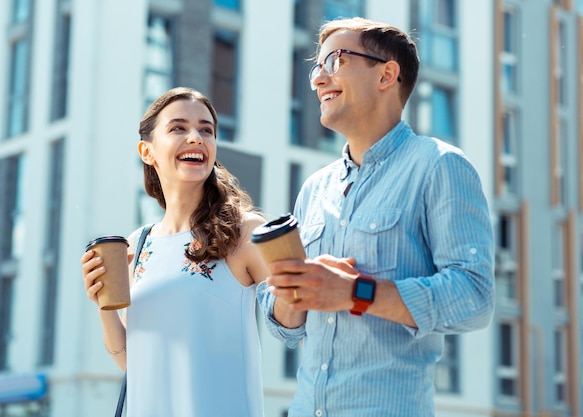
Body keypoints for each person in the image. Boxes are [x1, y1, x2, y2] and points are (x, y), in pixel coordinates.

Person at [257, 17, 495, 417]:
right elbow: (286, 328)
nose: (318, 80)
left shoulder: (439, 166)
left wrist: (356, 293)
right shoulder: (314, 189)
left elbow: (475, 297)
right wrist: (289, 293)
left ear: (386, 75)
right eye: (318, 67)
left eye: (336, 60)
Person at [81, 87, 269, 417]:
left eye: (206, 130)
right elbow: (133, 361)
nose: (196, 137)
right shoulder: (138, 244)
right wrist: (104, 305)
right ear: (147, 151)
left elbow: (299, 315)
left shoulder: (244, 232)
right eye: (178, 128)